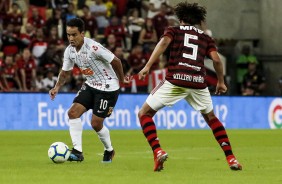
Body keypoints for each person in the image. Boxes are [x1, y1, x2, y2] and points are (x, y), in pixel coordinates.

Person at [138, 2, 242, 172]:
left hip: (176, 79)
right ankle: (231, 158)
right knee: (211, 118)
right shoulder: (206, 38)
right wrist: (221, 82)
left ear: (180, 18)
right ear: (197, 20)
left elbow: (163, 43)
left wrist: (148, 65)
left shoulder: (174, 30)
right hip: (197, 82)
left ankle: (158, 150)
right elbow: (216, 60)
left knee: (144, 113)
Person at [49, 18, 130, 163]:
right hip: (91, 84)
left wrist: (122, 79)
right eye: (68, 35)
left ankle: (109, 150)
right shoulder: (69, 51)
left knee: (96, 124)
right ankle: (77, 152)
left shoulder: (94, 47)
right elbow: (65, 72)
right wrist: (56, 87)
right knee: (72, 113)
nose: (71, 38)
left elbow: (116, 61)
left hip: (108, 87)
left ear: (82, 33)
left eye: (74, 35)